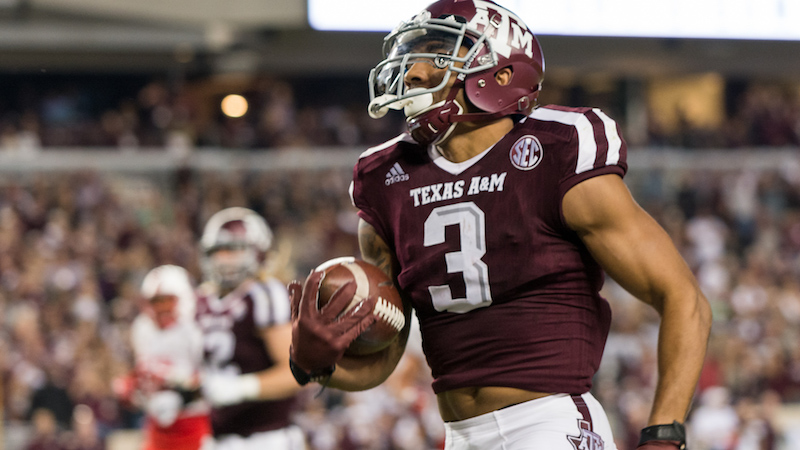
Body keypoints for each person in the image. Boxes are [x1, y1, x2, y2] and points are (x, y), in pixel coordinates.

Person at [287, 1, 712, 449]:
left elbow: (683, 298)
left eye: (437, 52)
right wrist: (314, 364)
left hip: (549, 422)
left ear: (500, 73)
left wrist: (664, 432)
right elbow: (386, 354)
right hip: (458, 435)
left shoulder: (556, 148)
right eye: (412, 56)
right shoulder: (385, 178)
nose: (412, 72)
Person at [195, 207, 305, 449]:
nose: (223, 259)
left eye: (232, 250)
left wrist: (243, 387)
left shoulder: (265, 295)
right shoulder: (201, 300)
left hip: (266, 438)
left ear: (258, 251)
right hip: (218, 438)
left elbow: (296, 373)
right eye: (217, 251)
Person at [127, 264, 211, 450]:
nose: (159, 308)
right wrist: (135, 390)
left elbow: (212, 380)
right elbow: (144, 372)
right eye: (155, 301)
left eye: (165, 301)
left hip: (197, 422)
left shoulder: (198, 327)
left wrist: (180, 387)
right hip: (157, 426)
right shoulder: (142, 328)